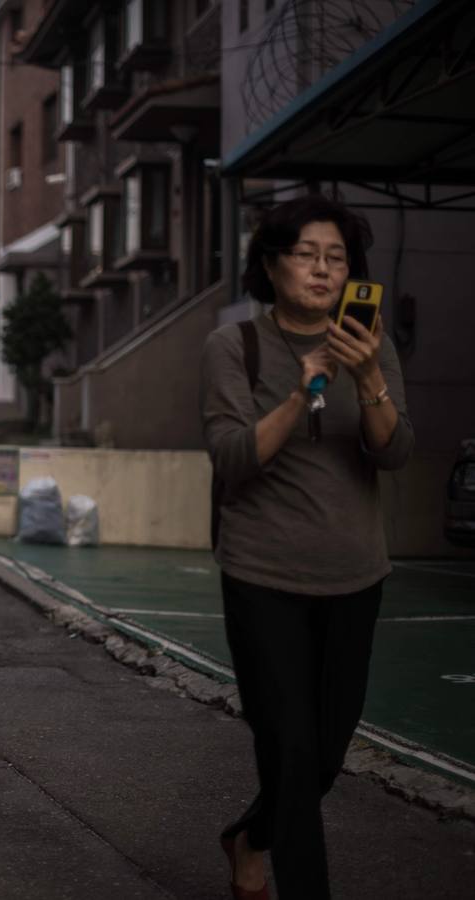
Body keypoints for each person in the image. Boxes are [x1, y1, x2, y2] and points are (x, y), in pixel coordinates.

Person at [200, 195, 414, 899]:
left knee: (323, 755)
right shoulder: (236, 347)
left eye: (337, 257)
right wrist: (304, 387)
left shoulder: (372, 345)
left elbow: (393, 454)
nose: (323, 270)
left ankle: (252, 837)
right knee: (288, 747)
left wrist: (370, 379)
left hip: (355, 572)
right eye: (306, 254)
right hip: (263, 574)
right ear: (271, 263)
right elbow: (233, 457)